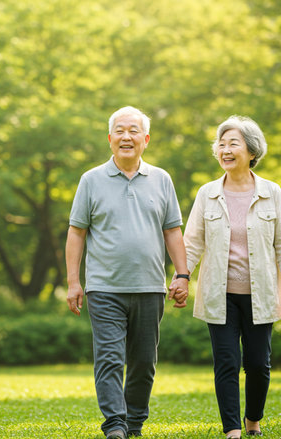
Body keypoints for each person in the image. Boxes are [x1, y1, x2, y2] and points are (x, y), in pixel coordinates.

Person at [66, 106, 189, 439]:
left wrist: (183, 275)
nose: (126, 136)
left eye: (134, 131)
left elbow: (173, 230)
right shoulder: (90, 180)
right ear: (110, 139)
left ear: (145, 139)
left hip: (150, 288)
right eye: (119, 130)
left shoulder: (162, 179)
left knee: (143, 363)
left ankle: (133, 423)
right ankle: (115, 425)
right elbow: (76, 232)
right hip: (104, 288)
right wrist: (74, 282)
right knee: (109, 358)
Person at [179, 115, 281, 439]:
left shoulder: (271, 192)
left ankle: (253, 421)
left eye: (234, 143)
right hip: (220, 295)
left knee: (259, 365)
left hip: (261, 295)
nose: (225, 149)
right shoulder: (207, 193)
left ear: (252, 151)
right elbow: (192, 243)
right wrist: (181, 277)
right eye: (221, 143)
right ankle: (232, 428)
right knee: (227, 363)